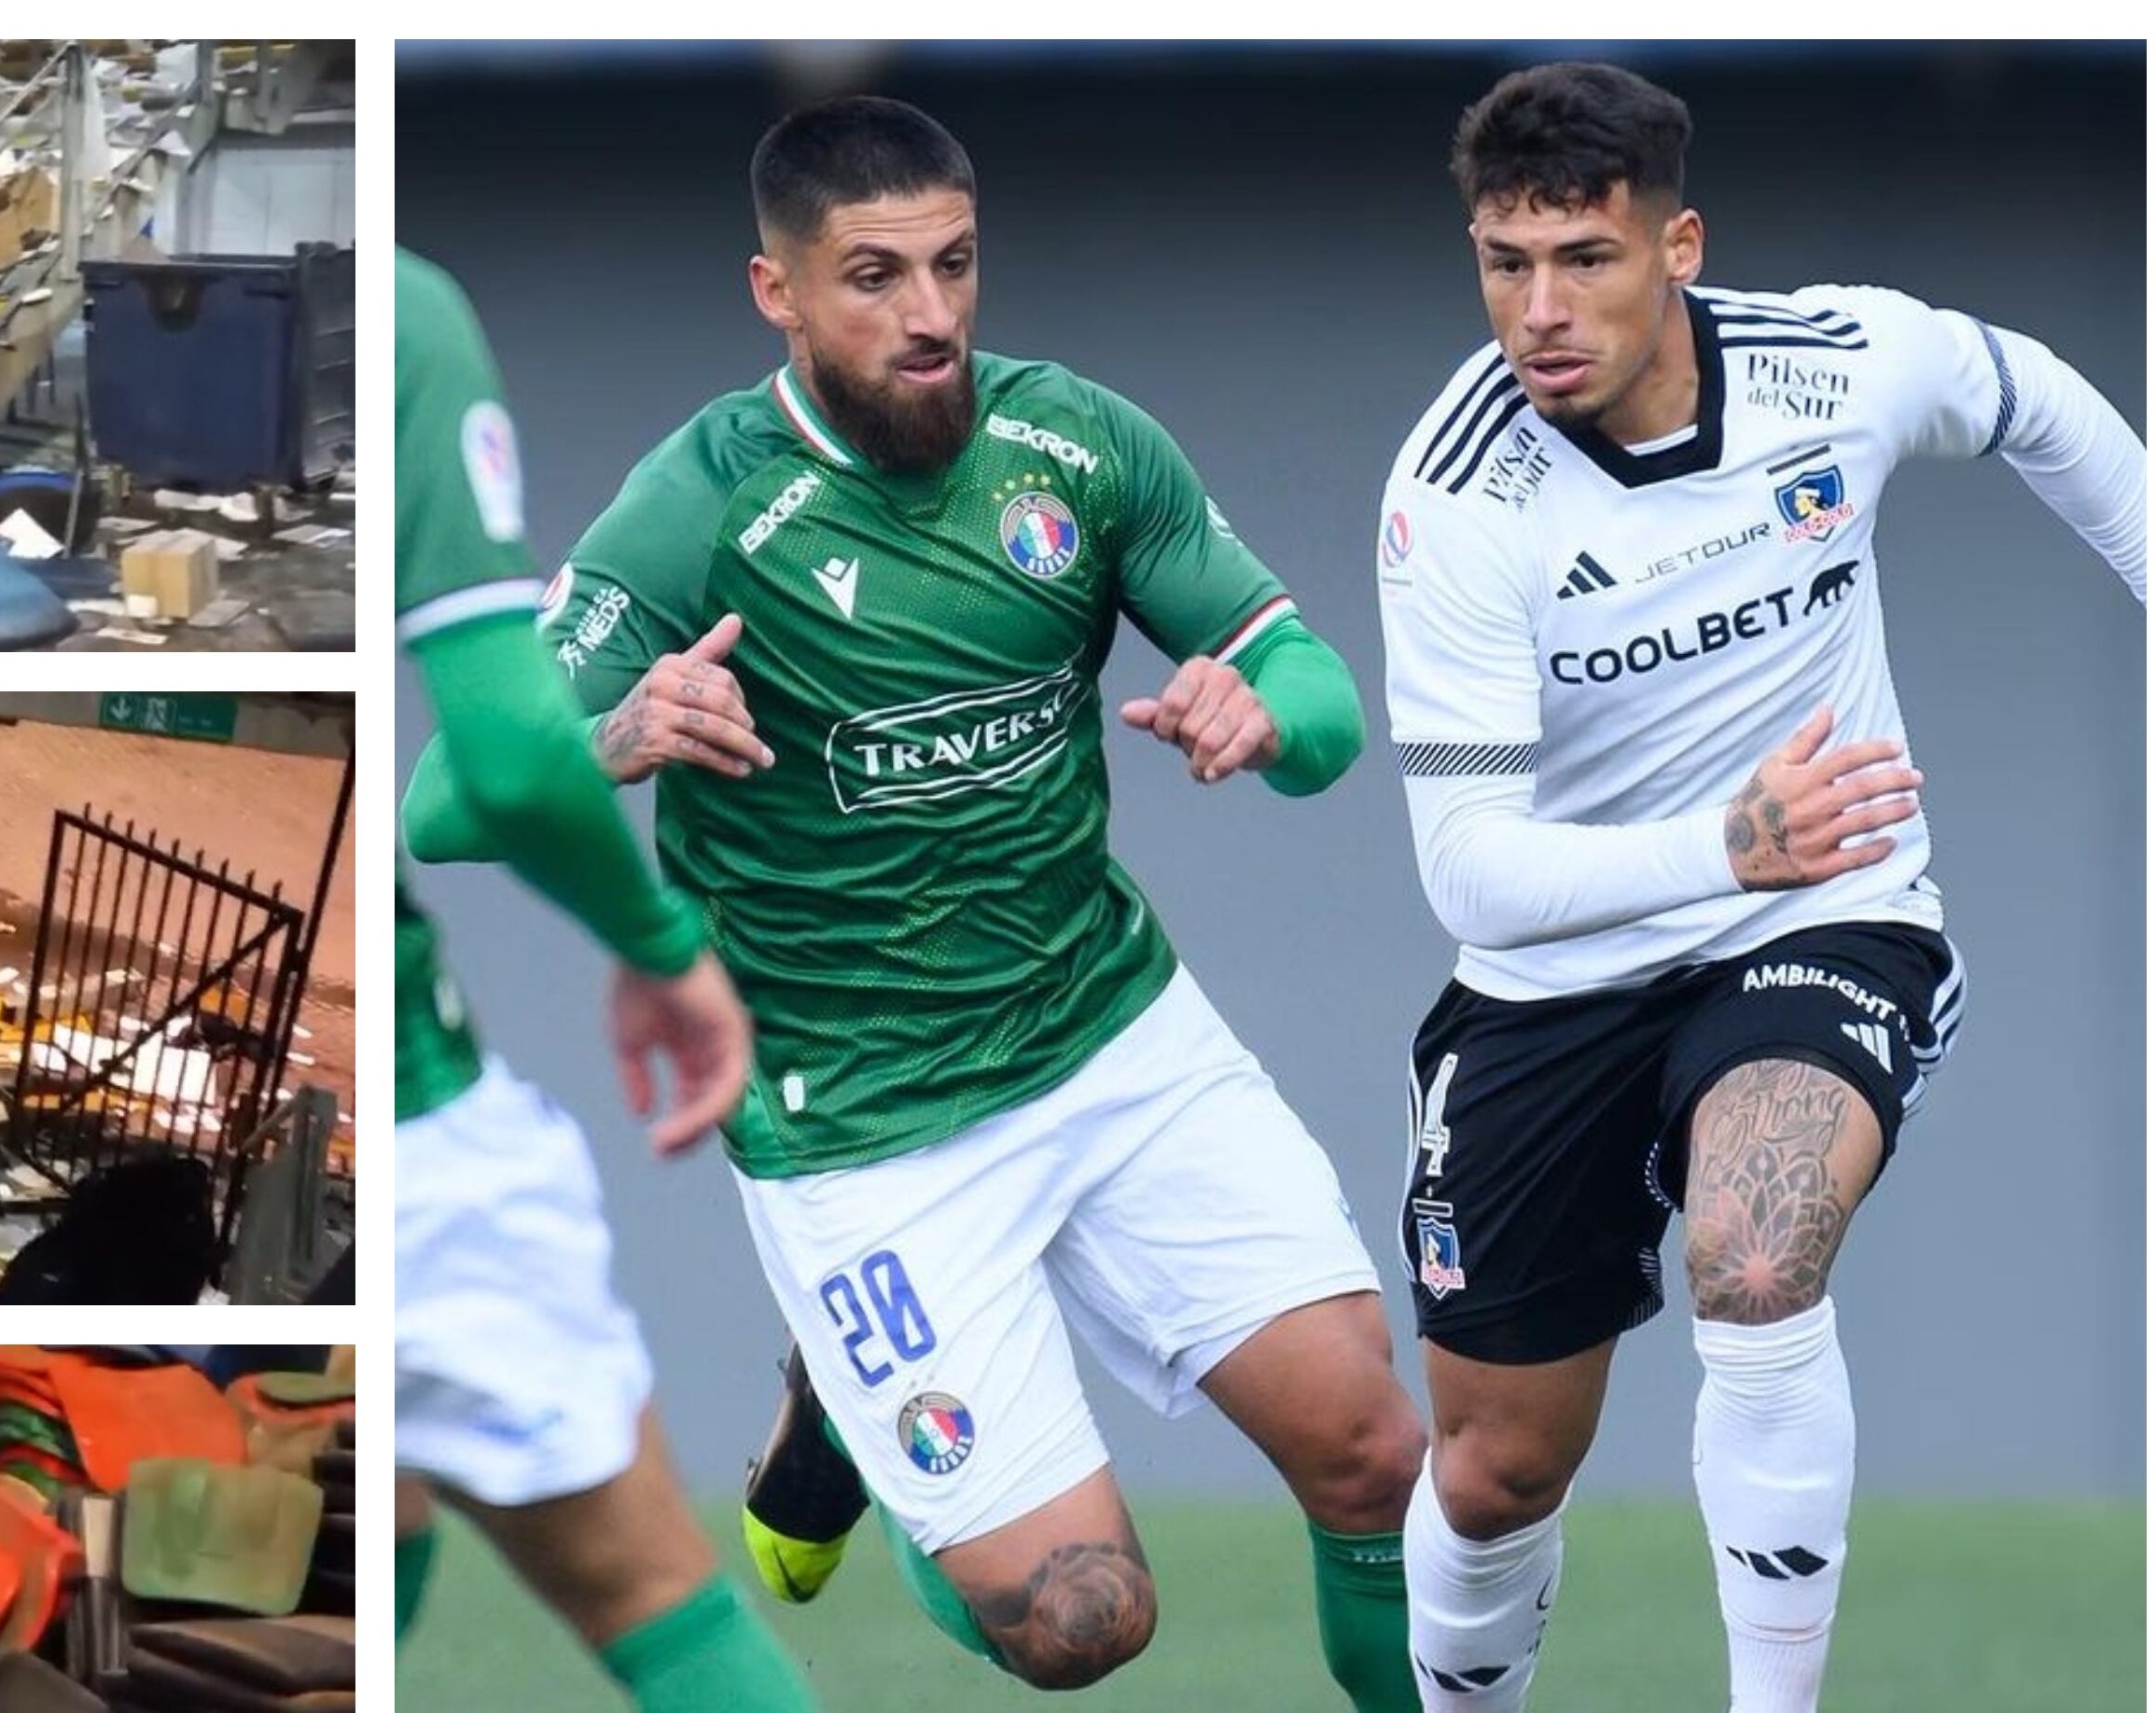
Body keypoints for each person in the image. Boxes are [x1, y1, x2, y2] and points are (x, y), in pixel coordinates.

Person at [404, 98, 1423, 1704]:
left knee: (1370, 1456)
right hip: (859, 1126)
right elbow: (443, 804)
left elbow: (1318, 702)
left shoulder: (1076, 446)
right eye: (871, 276)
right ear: (777, 294)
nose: (929, 313)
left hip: (1111, 1037)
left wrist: (1262, 713)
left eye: (951, 265)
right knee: (1078, 1625)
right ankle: (864, 1448)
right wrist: (616, 732)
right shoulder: (695, 507)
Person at [1373, 63, 2144, 1711]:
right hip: (1552, 973)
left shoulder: (1835, 364)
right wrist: (1714, 842)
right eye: (1501, 262)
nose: (1537, 308)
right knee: (1495, 1472)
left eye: (1581, 255)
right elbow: (1468, 873)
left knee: (1752, 1244)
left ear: (1678, 244)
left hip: (1817, 913)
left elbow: (2034, 404)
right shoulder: (1452, 496)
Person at [394, 245, 818, 1713]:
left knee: (294, 1539)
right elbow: (497, 768)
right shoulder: (397, 311)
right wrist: (664, 948)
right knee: (659, 1602)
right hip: (398, 1147)